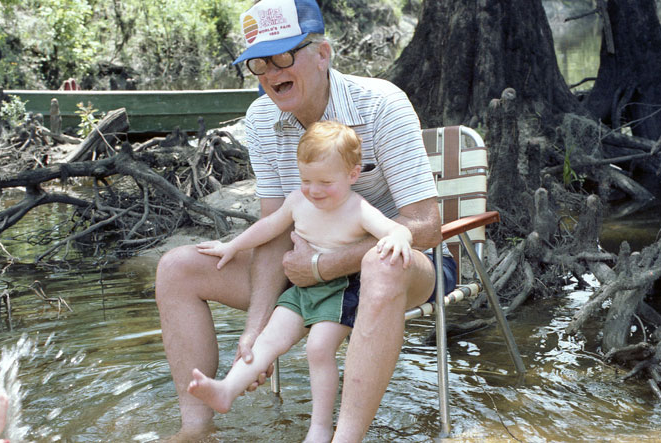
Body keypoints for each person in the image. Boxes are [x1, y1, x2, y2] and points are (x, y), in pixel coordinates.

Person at [154, 0, 457, 440]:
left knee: (382, 263)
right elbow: (274, 234)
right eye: (259, 63)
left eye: (283, 56)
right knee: (176, 268)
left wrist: (324, 266)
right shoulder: (260, 117)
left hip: (401, 266)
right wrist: (255, 331)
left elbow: (426, 225)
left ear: (322, 54)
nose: (271, 73)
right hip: (306, 277)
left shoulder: (382, 104)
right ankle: (195, 429)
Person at [188, 120, 413, 442]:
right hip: (302, 288)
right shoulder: (298, 200)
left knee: (318, 348)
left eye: (325, 182)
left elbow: (396, 228)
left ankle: (320, 428)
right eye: (306, 179)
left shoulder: (358, 209)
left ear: (352, 175)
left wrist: (400, 237)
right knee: (267, 339)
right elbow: (269, 227)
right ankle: (227, 390)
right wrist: (233, 245)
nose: (314, 190)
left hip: (341, 290)